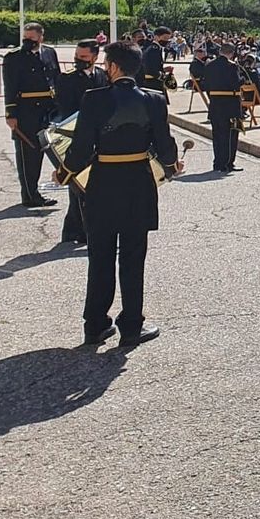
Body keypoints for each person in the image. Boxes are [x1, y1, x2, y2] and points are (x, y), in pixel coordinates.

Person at [62, 41, 181, 348]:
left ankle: (95, 324)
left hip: (103, 183)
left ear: (113, 67)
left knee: (99, 256)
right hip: (138, 185)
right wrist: (171, 163)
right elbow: (165, 145)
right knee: (132, 257)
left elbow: (81, 147)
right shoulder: (154, 99)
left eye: (105, 63)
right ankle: (131, 326)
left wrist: (65, 170)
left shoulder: (93, 99)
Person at [54, 39, 110, 243]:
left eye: (84, 57)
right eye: (77, 57)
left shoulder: (103, 76)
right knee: (77, 185)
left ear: (95, 57)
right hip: (76, 137)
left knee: (93, 185)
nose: (79, 60)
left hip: (100, 139)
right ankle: (79, 232)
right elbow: (66, 110)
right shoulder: (67, 79)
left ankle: (76, 229)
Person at [2, 22, 62, 208]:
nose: (27, 42)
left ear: (40, 37)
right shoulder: (14, 58)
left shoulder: (50, 53)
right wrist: (10, 113)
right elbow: (10, 87)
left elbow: (56, 79)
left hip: (48, 109)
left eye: (31, 39)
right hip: (26, 110)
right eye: (25, 38)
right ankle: (30, 194)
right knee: (28, 154)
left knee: (53, 150)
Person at [201, 41, 245, 173]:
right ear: (231, 54)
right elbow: (236, 84)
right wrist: (243, 78)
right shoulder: (231, 66)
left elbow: (205, 85)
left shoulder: (209, 65)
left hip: (215, 104)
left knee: (218, 135)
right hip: (230, 104)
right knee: (231, 135)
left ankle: (218, 162)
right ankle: (228, 163)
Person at [140, 27, 172, 93]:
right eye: (165, 38)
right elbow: (150, 69)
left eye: (168, 38)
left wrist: (164, 70)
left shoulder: (157, 49)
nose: (167, 41)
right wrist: (162, 76)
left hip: (155, 82)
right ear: (156, 37)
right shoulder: (153, 50)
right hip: (152, 84)